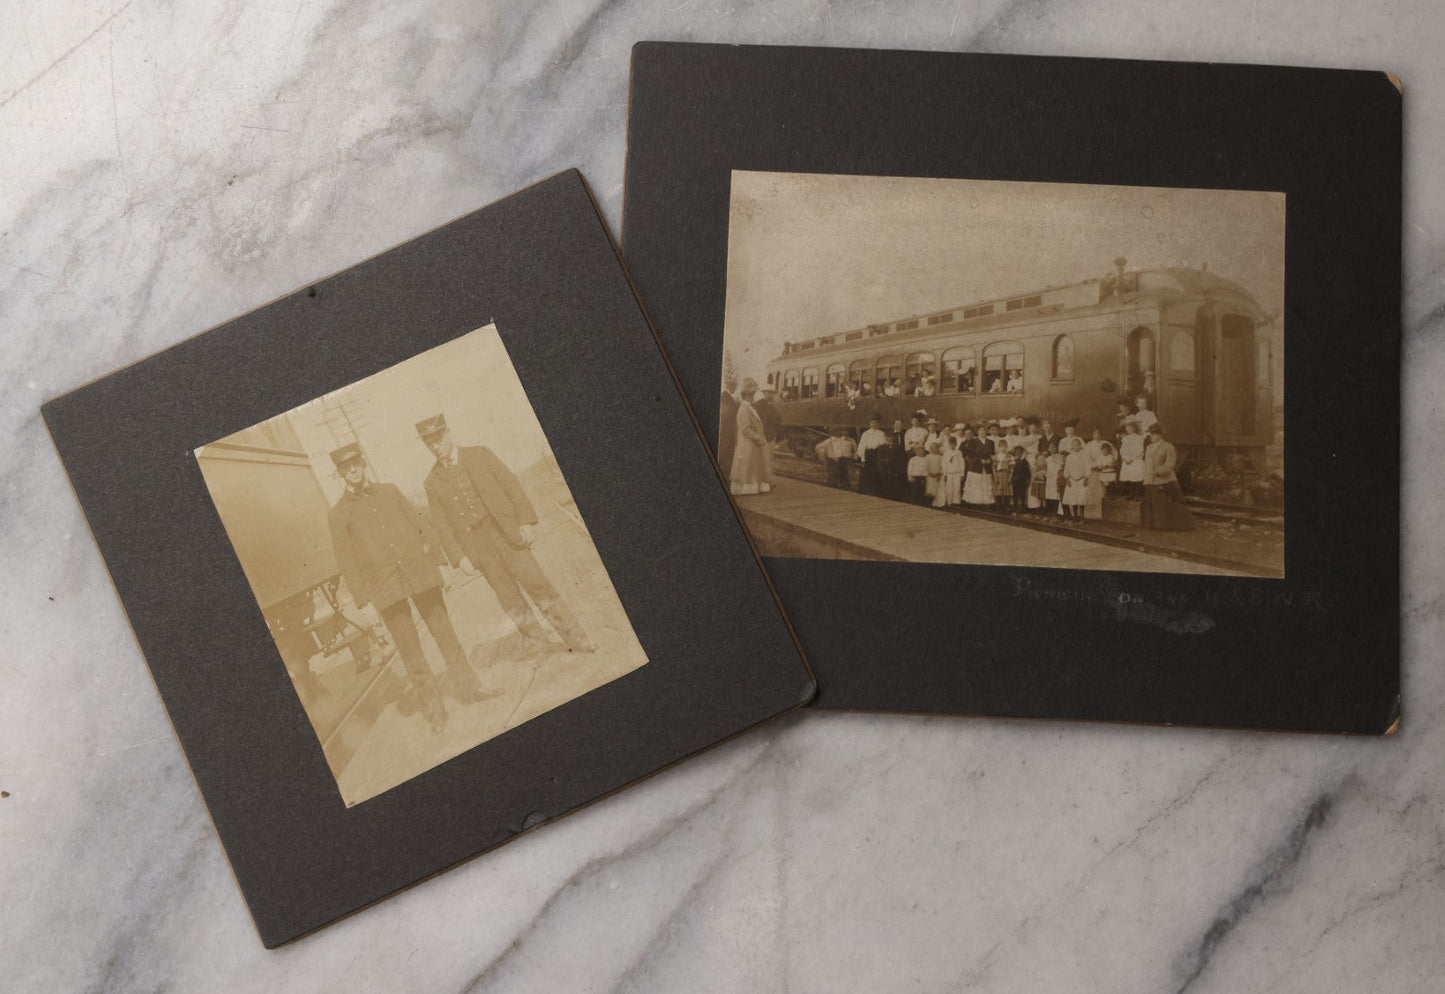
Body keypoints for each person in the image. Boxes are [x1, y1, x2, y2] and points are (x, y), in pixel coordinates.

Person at [326, 442, 490, 736]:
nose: (352, 470)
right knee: (412, 655)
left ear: (362, 463)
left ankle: (471, 688)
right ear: (340, 473)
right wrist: (364, 602)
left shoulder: (389, 491)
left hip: (420, 575)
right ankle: (435, 712)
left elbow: (421, 524)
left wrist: (439, 562)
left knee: (446, 636)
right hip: (386, 590)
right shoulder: (338, 515)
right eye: (345, 467)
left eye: (355, 463)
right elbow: (346, 561)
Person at [417, 415, 597, 657]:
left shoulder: (480, 454)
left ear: (448, 432)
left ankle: (577, 639)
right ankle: (541, 647)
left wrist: (525, 521)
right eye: (428, 442)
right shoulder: (432, 483)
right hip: (478, 547)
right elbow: (442, 524)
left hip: (506, 533)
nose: (435, 446)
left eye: (437, 438)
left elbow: (511, 485)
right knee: (509, 598)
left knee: (538, 585)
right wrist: (460, 557)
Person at [1141, 423, 1196, 530]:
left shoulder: (1168, 447)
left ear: (1160, 435)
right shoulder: (1149, 447)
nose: (1150, 437)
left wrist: (1159, 471)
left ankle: (1171, 526)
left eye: (1153, 434)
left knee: (1168, 504)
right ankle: (1153, 524)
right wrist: (1146, 477)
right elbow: (1147, 463)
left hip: (1166, 481)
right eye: (1150, 434)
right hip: (1151, 481)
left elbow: (1170, 464)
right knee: (1152, 504)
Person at [729, 379, 773, 495]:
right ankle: (746, 489)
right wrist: (758, 437)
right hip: (747, 443)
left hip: (751, 443)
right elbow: (745, 429)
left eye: (753, 394)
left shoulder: (748, 408)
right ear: (746, 396)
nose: (753, 397)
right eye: (751, 395)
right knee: (747, 467)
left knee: (752, 467)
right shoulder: (744, 409)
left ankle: (752, 488)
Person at [856, 415, 889, 496]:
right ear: (870, 424)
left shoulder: (882, 433)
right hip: (869, 455)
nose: (874, 424)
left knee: (878, 473)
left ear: (879, 424)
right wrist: (863, 459)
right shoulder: (866, 433)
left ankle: (877, 492)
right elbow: (862, 447)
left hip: (878, 455)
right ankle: (866, 492)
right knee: (867, 474)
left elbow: (884, 444)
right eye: (873, 423)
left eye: (876, 423)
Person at [961, 426, 994, 506]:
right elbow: (968, 452)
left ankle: (985, 502)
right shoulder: (973, 441)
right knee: (976, 484)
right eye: (981, 430)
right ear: (978, 432)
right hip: (975, 466)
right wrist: (979, 459)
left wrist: (988, 459)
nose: (983, 432)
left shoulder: (990, 442)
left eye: (984, 430)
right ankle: (974, 502)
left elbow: (991, 453)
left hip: (986, 465)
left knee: (985, 483)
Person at [1062, 436, 1090, 522]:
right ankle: (1075, 516)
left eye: (1078, 445)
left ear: (1080, 445)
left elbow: (1087, 467)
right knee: (1073, 499)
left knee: (1081, 499)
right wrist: (1067, 479)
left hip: (1082, 480)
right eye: (1074, 445)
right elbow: (1067, 469)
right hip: (1072, 480)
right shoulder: (1069, 457)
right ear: (1072, 446)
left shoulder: (1084, 456)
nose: (1076, 446)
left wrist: (1086, 478)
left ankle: (1081, 516)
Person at [718, 376, 740, 481]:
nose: (735, 388)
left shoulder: (726, 396)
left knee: (726, 454)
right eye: (734, 385)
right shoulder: (726, 397)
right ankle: (725, 477)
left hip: (726, 432)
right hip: (727, 432)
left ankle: (725, 476)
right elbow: (727, 414)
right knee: (726, 455)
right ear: (730, 385)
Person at [1118, 419, 1146, 499]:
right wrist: (1125, 458)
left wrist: (1132, 459)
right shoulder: (1126, 438)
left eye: (1129, 428)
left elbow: (1139, 450)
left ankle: (1137, 494)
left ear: (1133, 428)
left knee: (1136, 477)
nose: (1127, 429)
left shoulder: (1139, 438)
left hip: (1135, 459)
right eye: (1127, 428)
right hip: (1127, 460)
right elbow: (1122, 450)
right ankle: (1131, 493)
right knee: (1129, 478)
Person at [939, 437, 963, 508]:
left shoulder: (959, 452)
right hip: (949, 473)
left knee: (957, 487)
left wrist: (962, 474)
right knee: (949, 488)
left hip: (957, 473)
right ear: (948, 444)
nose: (952, 446)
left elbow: (962, 464)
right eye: (951, 444)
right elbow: (944, 464)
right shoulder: (946, 453)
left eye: (954, 444)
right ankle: (949, 502)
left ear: (956, 444)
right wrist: (944, 473)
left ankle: (956, 502)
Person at [1044, 439, 1064, 517]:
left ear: (1056, 448)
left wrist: (1059, 476)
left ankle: (1057, 512)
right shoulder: (1047, 459)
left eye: (1054, 447)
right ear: (1048, 449)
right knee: (1049, 494)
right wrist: (1046, 474)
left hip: (1057, 478)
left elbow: (1061, 468)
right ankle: (1050, 511)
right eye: (1050, 448)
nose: (1052, 449)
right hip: (1049, 479)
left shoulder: (1060, 457)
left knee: (1056, 494)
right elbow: (1046, 469)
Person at [1010, 446, 1032, 514]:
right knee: (1015, 495)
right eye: (1016, 453)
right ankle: (1015, 508)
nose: (1017, 454)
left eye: (1019, 453)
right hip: (1015, 481)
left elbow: (1028, 473)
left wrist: (1027, 481)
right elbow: (1012, 471)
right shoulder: (1014, 461)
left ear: (1021, 453)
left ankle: (1022, 509)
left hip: (1022, 481)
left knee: (1022, 495)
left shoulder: (1025, 462)